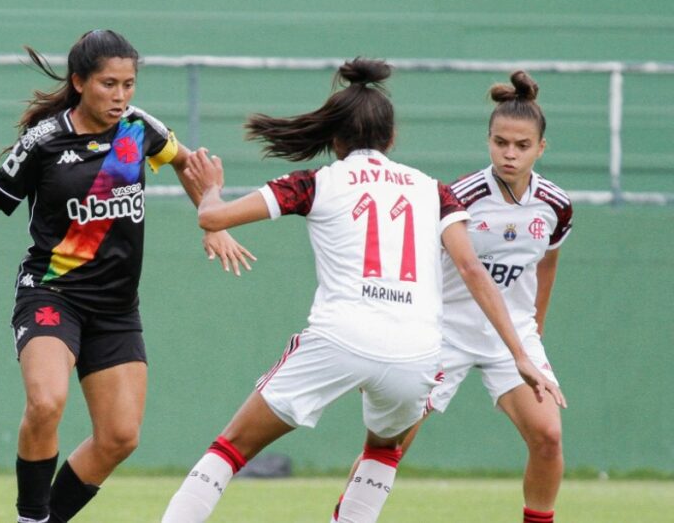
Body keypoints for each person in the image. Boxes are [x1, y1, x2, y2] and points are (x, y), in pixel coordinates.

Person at [160, 58, 565, 523]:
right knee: (383, 451)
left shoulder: (316, 182)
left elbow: (213, 218)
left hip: (341, 338)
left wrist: (211, 190)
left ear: (335, 138)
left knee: (232, 447)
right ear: (391, 139)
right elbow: (473, 269)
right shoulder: (433, 190)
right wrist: (519, 350)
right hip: (417, 353)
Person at [0, 29, 254, 523]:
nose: (120, 95)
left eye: (128, 84)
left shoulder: (138, 130)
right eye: (108, 84)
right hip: (51, 294)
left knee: (120, 437)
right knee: (46, 401)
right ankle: (31, 517)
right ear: (79, 82)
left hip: (117, 308)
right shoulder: (43, 141)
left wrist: (213, 218)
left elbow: (191, 167)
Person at [332, 70, 573, 523]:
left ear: (541, 148)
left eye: (522, 146)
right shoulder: (459, 196)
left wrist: (534, 329)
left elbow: (547, 263)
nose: (510, 153)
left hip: (512, 338)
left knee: (548, 437)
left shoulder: (556, 206)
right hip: (442, 333)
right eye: (501, 142)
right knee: (391, 443)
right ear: (488, 141)